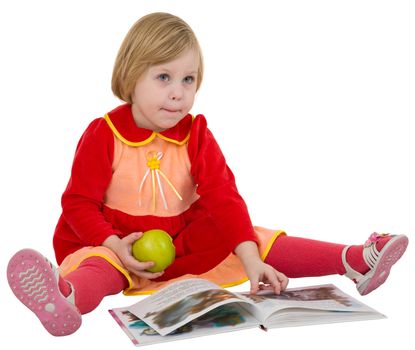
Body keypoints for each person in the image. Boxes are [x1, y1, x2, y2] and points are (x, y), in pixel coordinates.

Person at [7, 12, 408, 337]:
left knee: (248, 235)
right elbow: (78, 203)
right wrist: (114, 241)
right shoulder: (104, 133)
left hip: (183, 243)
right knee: (100, 264)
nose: (178, 92)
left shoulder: (196, 134)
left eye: (189, 79)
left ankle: (354, 259)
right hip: (117, 242)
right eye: (163, 77)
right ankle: (68, 298)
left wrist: (250, 259)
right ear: (131, 76)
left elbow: (223, 196)